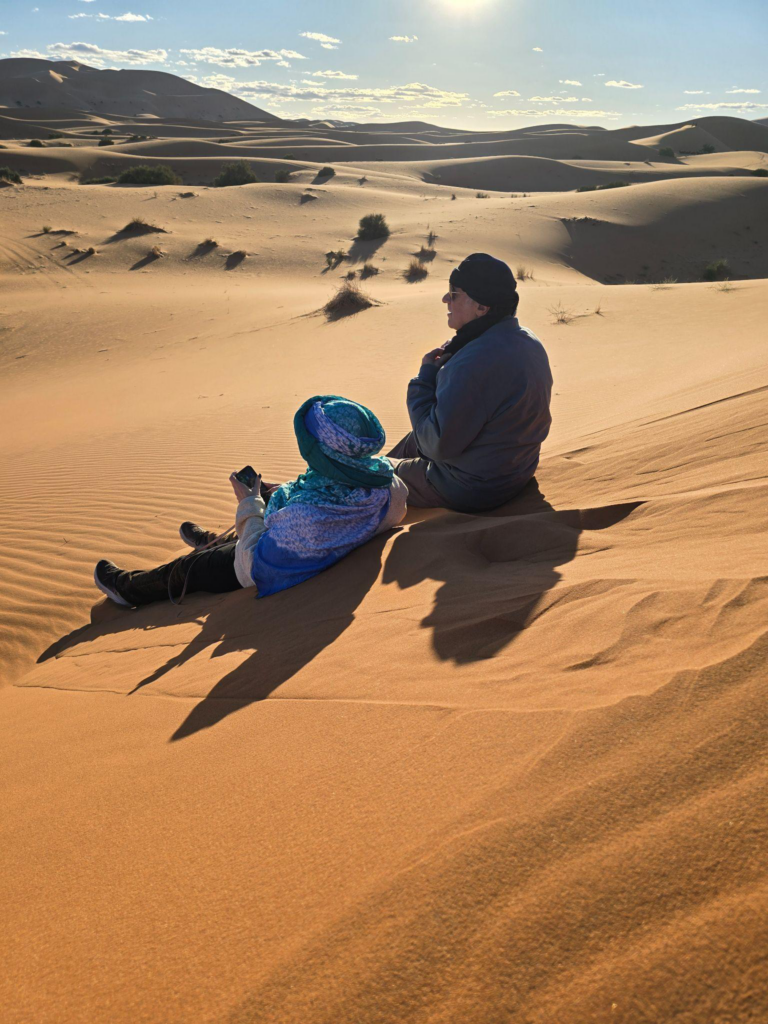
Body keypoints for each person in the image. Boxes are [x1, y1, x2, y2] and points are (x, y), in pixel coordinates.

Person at [94, 396, 408, 607]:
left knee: (191, 567)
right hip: (314, 539)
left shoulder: (307, 518)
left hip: (259, 564)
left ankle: (130, 589)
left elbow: (254, 561)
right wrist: (277, 491)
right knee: (264, 506)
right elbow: (330, 489)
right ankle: (213, 541)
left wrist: (249, 504)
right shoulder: (386, 481)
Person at [388, 252, 553, 513]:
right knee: (411, 442)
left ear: (482, 307)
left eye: (453, 294)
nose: (445, 299)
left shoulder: (473, 363)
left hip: (471, 487)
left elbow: (436, 445)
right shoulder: (526, 339)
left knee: (370, 472)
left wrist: (424, 380)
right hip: (515, 471)